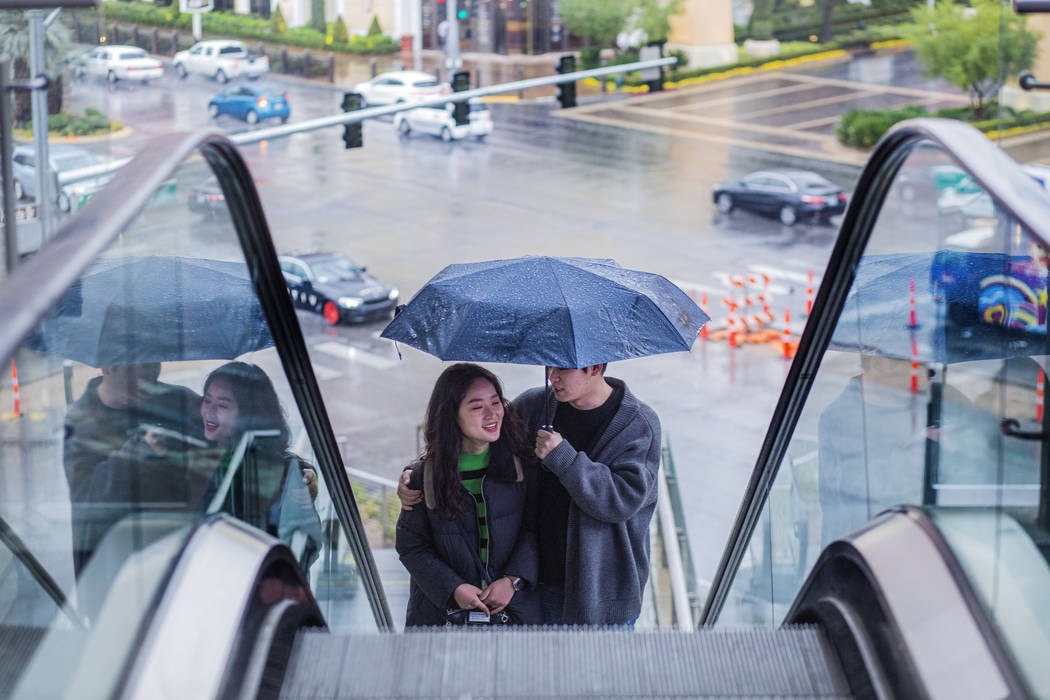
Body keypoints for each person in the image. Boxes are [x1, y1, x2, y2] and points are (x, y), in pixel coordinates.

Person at [400, 363, 661, 627]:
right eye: (550, 366)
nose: (552, 376)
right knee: (539, 668)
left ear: (594, 367)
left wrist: (564, 458)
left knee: (599, 669)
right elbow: (475, 437)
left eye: (563, 369)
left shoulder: (638, 425)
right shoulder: (534, 406)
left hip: (602, 597)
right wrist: (415, 474)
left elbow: (621, 502)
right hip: (537, 589)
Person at [395, 363, 539, 627]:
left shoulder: (521, 466)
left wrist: (512, 580)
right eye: (476, 407)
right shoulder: (423, 476)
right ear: (452, 415)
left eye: (496, 403)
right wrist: (454, 588)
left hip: (513, 614)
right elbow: (410, 545)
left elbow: (536, 529)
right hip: (441, 618)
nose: (492, 414)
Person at [64, 361, 205, 575]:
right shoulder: (82, 421)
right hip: (114, 565)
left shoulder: (177, 401)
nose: (152, 374)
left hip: (179, 553)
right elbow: (87, 501)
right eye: (143, 367)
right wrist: (134, 456)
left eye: (155, 364)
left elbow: (221, 443)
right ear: (109, 366)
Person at [197, 362, 322, 569]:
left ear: (250, 415)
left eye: (222, 405)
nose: (209, 411)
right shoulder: (199, 453)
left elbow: (305, 546)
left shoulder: (282, 473)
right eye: (207, 400)